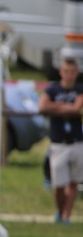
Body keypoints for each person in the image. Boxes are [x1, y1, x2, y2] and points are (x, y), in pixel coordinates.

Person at [38, 56, 83, 224]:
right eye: (66, 71)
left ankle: (66, 216)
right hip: (58, 143)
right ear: (61, 72)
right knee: (59, 183)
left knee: (74, 182)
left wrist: (55, 108)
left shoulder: (79, 89)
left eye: (72, 71)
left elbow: (78, 107)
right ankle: (60, 210)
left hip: (77, 141)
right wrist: (67, 108)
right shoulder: (53, 89)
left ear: (77, 73)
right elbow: (42, 106)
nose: (69, 75)